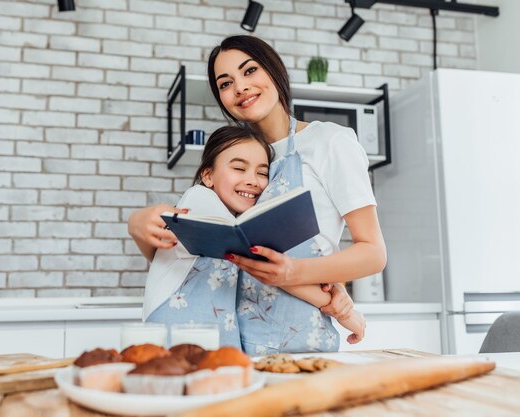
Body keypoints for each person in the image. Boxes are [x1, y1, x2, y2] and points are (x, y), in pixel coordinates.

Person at [129, 35, 385, 354]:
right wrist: (139, 226)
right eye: (225, 83)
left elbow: (374, 253)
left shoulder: (330, 141)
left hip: (298, 339)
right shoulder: (236, 164)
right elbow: (197, 257)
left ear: (274, 70)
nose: (239, 87)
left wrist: (306, 278)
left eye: (249, 71)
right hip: (234, 344)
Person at [142, 125, 365, 349]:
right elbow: (262, 266)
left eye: (262, 172)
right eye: (239, 168)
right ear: (207, 175)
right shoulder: (199, 199)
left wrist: (334, 285)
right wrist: (339, 310)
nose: (252, 181)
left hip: (213, 343)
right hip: (175, 339)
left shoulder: (233, 217)